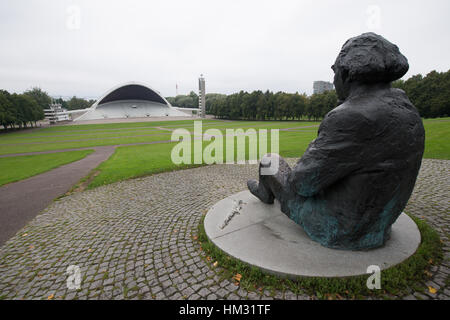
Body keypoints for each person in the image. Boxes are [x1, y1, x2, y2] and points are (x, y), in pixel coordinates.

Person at [248, 32, 425, 250]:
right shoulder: (406, 108)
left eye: (334, 71)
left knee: (270, 161)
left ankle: (265, 193)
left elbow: (300, 184)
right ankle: (265, 191)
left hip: (340, 229)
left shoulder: (349, 116)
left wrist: (313, 148)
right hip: (378, 224)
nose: (333, 79)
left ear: (347, 73)